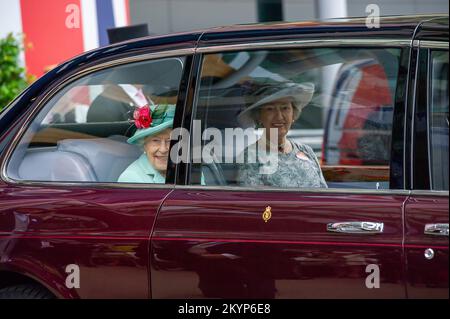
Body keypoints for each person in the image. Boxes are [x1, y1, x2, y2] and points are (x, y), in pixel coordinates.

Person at [237, 82, 327, 188]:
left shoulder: (306, 151)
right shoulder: (251, 157)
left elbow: (324, 192)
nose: (279, 116)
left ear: (293, 114)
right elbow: (254, 201)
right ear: (258, 117)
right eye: (270, 109)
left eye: (285, 108)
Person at [118, 104, 175, 183]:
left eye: (170, 141)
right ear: (144, 144)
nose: (163, 149)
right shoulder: (131, 178)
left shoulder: (190, 168)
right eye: (156, 140)